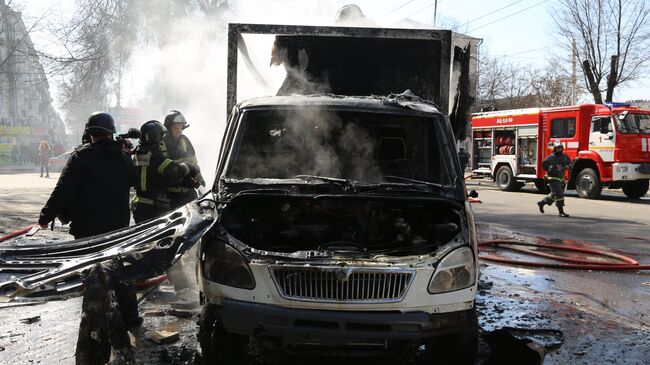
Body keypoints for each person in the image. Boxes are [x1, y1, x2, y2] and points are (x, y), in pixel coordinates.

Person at [38, 112, 141, 326]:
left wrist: (45, 216)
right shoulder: (124, 158)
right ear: (111, 133)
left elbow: (63, 190)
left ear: (89, 133)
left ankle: (95, 321)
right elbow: (139, 183)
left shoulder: (81, 157)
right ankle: (131, 317)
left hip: (87, 229)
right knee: (120, 270)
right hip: (118, 228)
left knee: (91, 273)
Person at [132, 120, 199, 223]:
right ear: (156, 137)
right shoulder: (155, 156)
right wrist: (189, 167)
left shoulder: (137, 154)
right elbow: (175, 171)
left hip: (138, 205)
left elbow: (154, 175)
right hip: (154, 206)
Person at [162, 110, 205, 209]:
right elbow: (164, 170)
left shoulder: (184, 140)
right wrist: (181, 181)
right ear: (168, 128)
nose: (179, 131)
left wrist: (200, 180)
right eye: (175, 128)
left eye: (181, 128)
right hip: (171, 196)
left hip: (189, 194)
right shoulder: (162, 144)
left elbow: (194, 164)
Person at [537, 140, 572, 217]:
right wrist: (552, 168)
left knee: (554, 194)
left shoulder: (564, 157)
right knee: (559, 194)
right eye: (557, 148)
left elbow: (570, 163)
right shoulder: (551, 157)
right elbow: (544, 165)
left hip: (560, 178)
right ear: (554, 149)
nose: (559, 150)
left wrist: (568, 167)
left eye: (560, 148)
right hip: (552, 178)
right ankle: (561, 212)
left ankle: (542, 203)